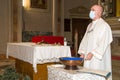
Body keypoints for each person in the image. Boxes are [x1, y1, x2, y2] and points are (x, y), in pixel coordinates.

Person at [78, 4, 113, 80]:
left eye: (93, 10)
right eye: (91, 10)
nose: (91, 12)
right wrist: (83, 52)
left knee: (97, 75)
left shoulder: (104, 26)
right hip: (88, 56)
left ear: (100, 13)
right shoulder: (89, 25)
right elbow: (85, 40)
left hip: (97, 58)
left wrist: (93, 53)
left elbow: (104, 42)